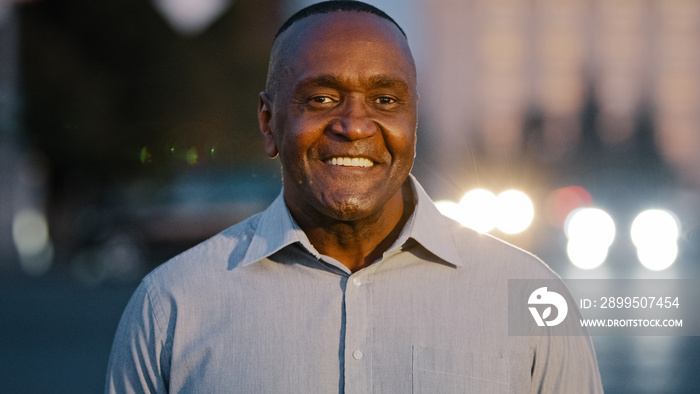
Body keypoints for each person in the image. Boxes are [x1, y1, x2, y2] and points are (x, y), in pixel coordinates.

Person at [105, 1, 603, 393]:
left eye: (385, 101)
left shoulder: (531, 295)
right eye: (321, 98)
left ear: (413, 120)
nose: (354, 125)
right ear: (268, 122)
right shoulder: (171, 306)